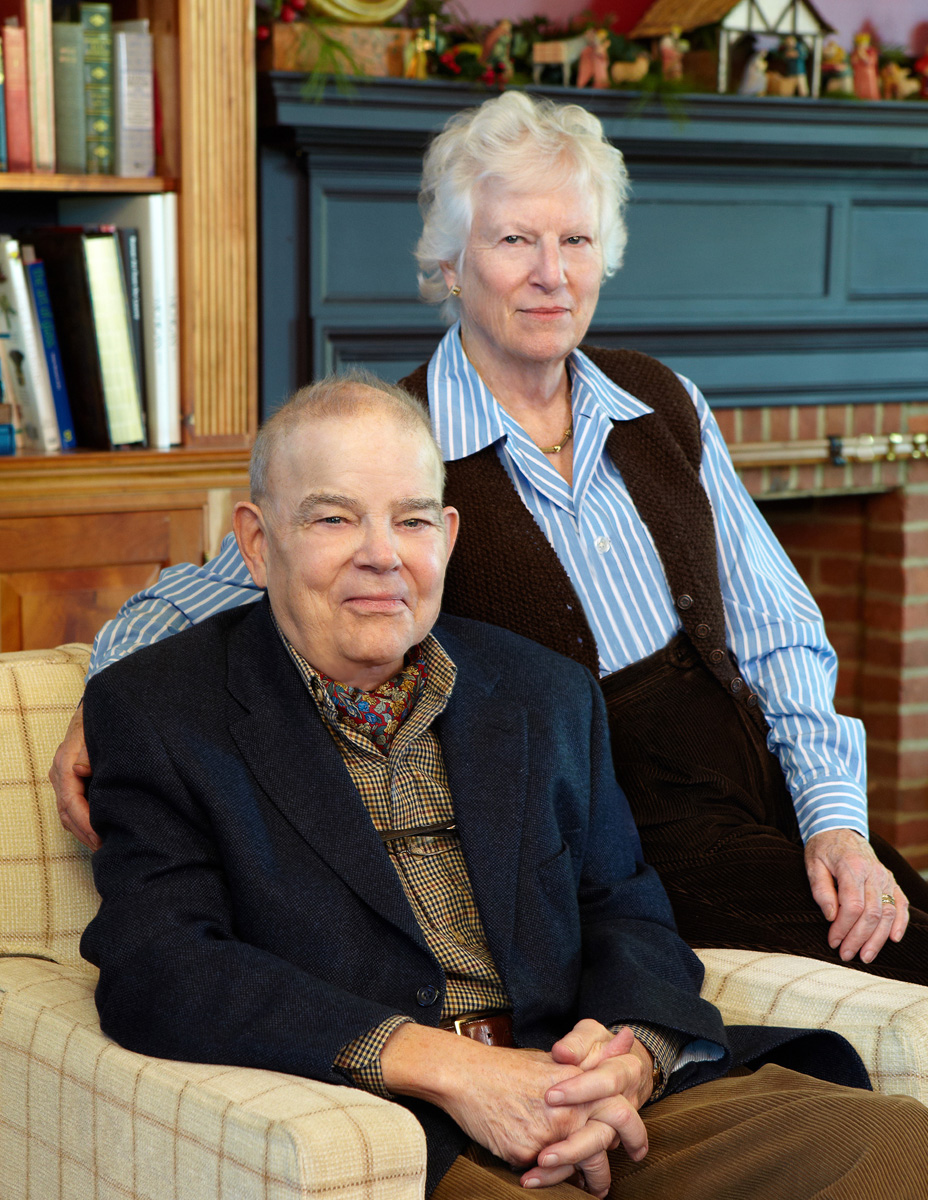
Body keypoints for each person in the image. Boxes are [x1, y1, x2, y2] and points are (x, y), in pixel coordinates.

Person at [54, 91, 928, 983]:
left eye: (576, 241)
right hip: (621, 832)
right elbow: (222, 581)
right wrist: (106, 693)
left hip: (761, 782)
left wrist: (833, 818)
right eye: (515, 241)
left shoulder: (662, 401)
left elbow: (777, 628)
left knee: (906, 909)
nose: (552, 273)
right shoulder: (396, 441)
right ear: (448, 264)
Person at [79, 376, 928, 1200]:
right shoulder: (160, 711)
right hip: (404, 1127)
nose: (381, 553)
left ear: (447, 535)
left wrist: (630, 1056)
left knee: (899, 1149)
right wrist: (454, 1070)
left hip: (594, 1094)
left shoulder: (546, 693)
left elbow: (626, 908)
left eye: (410, 519)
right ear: (259, 543)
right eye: (334, 517)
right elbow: (159, 964)